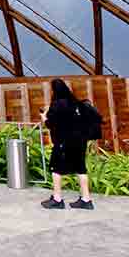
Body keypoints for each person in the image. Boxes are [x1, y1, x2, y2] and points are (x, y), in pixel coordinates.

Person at [40, 78, 94, 210]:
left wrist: (44, 117)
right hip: (80, 141)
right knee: (80, 168)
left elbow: (50, 123)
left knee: (56, 168)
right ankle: (86, 199)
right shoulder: (76, 103)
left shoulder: (57, 104)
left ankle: (57, 199)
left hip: (63, 142)